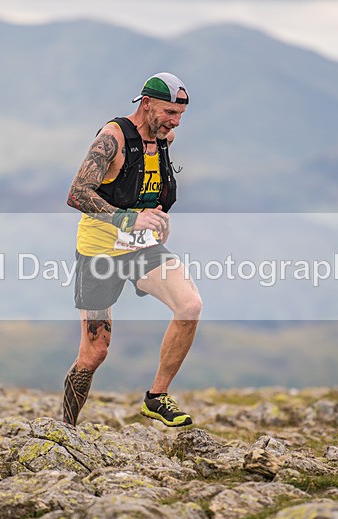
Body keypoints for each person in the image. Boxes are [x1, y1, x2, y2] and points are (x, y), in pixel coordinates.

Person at [63, 72, 202, 428]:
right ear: (147, 104)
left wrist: (157, 216)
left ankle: (157, 397)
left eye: (180, 115)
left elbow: (147, 183)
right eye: (170, 112)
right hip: (100, 253)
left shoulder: (163, 137)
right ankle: (65, 429)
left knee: (189, 306)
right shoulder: (112, 138)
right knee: (95, 352)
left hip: (141, 248)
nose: (175, 122)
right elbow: (77, 194)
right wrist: (129, 219)